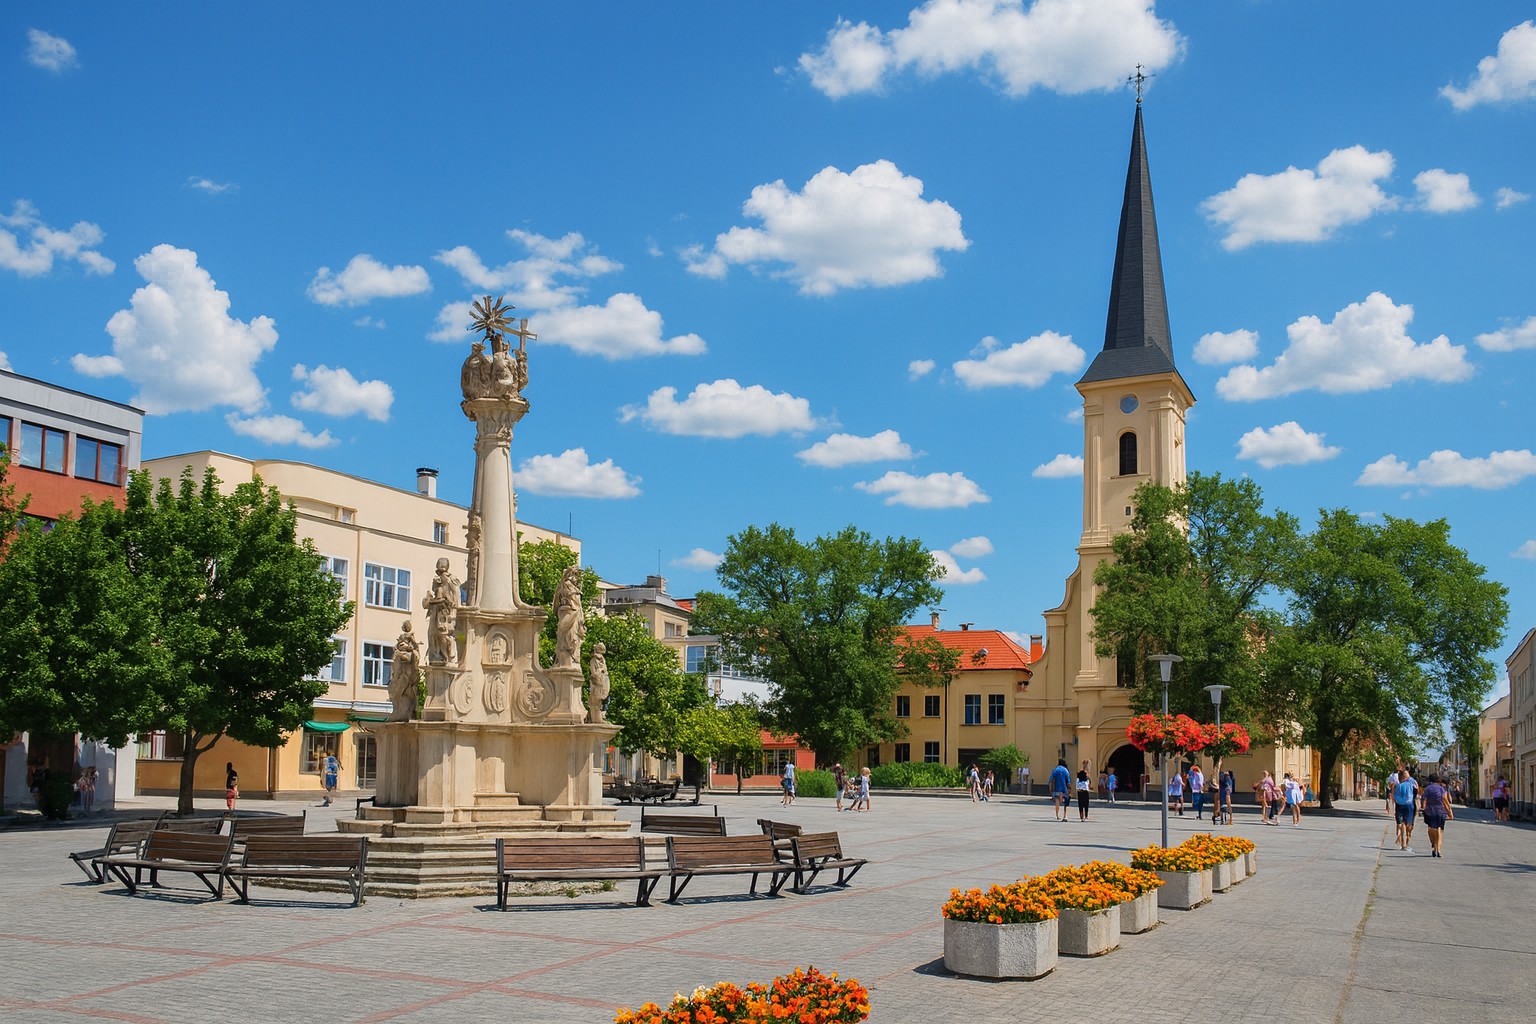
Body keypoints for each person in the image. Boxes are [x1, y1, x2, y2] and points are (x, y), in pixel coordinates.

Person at [1420, 772, 1453, 858]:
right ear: (1438, 780)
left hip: (1429, 811)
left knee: (1430, 828)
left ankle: (1434, 844)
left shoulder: (1427, 789)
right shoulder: (1441, 789)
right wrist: (1449, 811)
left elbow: (1423, 799)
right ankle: (1438, 849)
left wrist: (1423, 808)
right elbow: (1445, 801)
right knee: (1440, 830)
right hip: (1440, 811)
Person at [1392, 768, 1419, 851]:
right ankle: (1405, 842)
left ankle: (1403, 842)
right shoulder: (1412, 783)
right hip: (1409, 805)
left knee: (1402, 823)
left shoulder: (1397, 785)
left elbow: (1393, 795)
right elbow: (1415, 793)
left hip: (1399, 805)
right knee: (1408, 824)